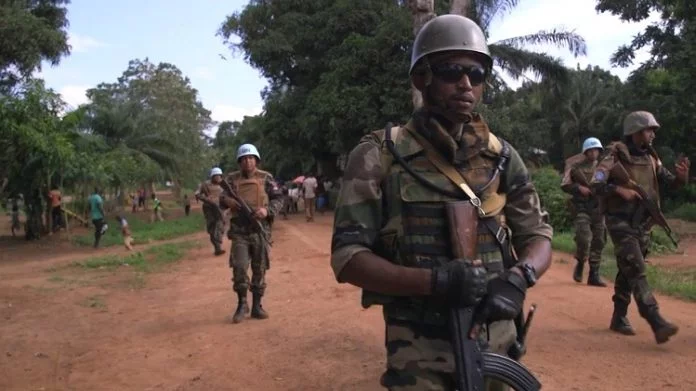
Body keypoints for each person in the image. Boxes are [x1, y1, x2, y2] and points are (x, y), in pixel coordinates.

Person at [330, 15, 553, 391]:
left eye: (477, 73)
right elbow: (348, 257)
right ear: (422, 78)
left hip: (496, 339)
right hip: (419, 346)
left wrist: (520, 277)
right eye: (451, 71)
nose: (466, 83)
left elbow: (539, 235)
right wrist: (435, 282)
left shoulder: (502, 156)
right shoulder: (380, 154)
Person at [591, 110, 690, 344]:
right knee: (636, 267)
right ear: (635, 132)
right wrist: (619, 190)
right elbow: (596, 183)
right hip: (619, 221)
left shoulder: (652, 158)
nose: (653, 134)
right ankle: (654, 318)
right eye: (649, 129)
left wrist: (680, 178)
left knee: (628, 268)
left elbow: (669, 183)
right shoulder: (615, 155)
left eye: (653, 130)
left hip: (643, 222)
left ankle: (619, 317)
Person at [220, 143, 282, 324]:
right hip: (240, 231)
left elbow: (279, 198)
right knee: (239, 267)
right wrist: (228, 201)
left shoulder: (266, 178)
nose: (248, 162)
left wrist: (267, 211)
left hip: (260, 230)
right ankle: (241, 304)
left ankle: (257, 305)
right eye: (244, 159)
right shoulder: (231, 180)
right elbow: (221, 199)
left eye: (251, 158)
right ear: (239, 162)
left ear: (256, 160)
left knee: (259, 268)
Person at [561, 137, 607, 286]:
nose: (594, 153)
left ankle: (594, 273)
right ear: (585, 152)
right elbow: (565, 185)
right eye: (591, 150)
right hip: (582, 208)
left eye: (596, 150)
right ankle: (581, 261)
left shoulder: (604, 167)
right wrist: (579, 188)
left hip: (599, 208)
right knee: (583, 238)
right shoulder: (576, 168)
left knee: (599, 240)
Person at [196, 168, 226, 256]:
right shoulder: (205, 185)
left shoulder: (224, 185)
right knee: (212, 228)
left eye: (219, 176)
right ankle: (217, 248)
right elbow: (197, 194)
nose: (217, 178)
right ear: (212, 177)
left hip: (220, 208)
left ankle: (218, 241)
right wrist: (206, 199)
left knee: (220, 225)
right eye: (215, 176)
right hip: (209, 208)